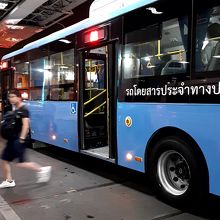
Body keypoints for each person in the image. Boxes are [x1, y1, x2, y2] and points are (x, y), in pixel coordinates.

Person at [0, 90, 52, 188]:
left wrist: (21, 139)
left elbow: (26, 125)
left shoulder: (23, 109)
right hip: (13, 139)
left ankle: (42, 170)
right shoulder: (16, 108)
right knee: (4, 159)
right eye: (9, 97)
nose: (10, 98)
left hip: (18, 140)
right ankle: (9, 181)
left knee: (21, 163)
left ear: (19, 97)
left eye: (12, 96)